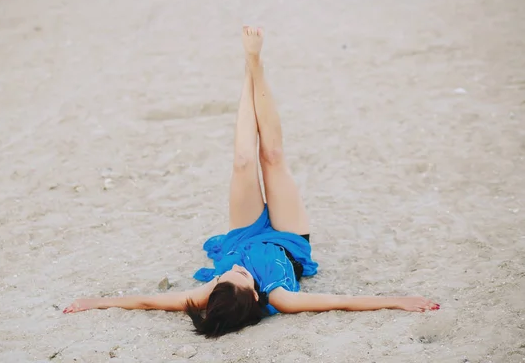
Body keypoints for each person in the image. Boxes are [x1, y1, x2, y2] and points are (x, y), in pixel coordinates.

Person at [63, 26, 440, 338]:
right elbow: (344, 301)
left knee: (243, 162)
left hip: (243, 236)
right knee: (271, 157)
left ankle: (248, 68)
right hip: (288, 240)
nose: (234, 271)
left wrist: (92, 303)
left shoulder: (211, 292)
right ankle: (256, 65)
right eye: (241, 276)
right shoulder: (283, 298)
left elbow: (146, 302)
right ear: (257, 294)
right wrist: (398, 299)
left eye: (229, 275)